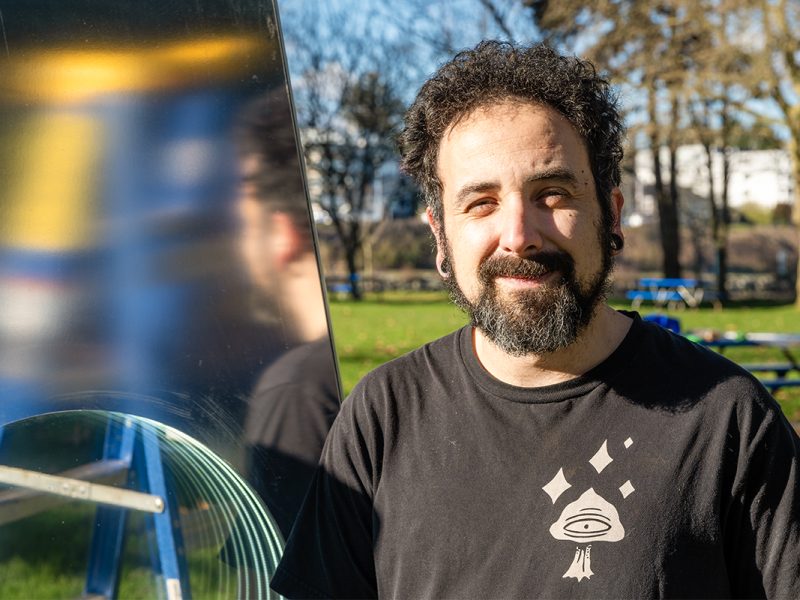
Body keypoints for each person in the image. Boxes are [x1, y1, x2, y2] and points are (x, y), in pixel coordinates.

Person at [270, 41, 800, 598]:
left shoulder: (729, 421)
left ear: (611, 215)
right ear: (439, 237)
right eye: (481, 203)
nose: (519, 234)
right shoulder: (381, 417)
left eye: (552, 194)